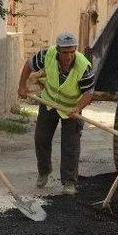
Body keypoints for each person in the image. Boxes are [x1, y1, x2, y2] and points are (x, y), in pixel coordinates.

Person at [18, 32, 95, 195]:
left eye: (72, 52)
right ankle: (44, 171)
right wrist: (22, 86)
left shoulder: (83, 66)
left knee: (70, 144)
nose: (68, 56)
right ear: (58, 50)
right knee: (41, 138)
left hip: (71, 109)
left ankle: (69, 182)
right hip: (50, 103)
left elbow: (89, 93)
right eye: (65, 52)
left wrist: (77, 108)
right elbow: (29, 65)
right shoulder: (47, 54)